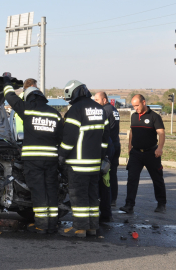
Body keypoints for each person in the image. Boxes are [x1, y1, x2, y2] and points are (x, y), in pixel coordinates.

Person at [3, 73, 64, 234]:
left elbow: (10, 97)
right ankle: (52, 224)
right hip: (51, 160)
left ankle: (41, 225)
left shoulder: (27, 109)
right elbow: (61, 137)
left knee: (38, 192)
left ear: (28, 97)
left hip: (33, 160)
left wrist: (7, 81)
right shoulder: (54, 113)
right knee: (51, 190)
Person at [58, 80, 109, 238]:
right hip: (95, 164)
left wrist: (61, 155)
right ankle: (92, 227)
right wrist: (101, 157)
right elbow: (106, 138)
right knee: (92, 196)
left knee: (78, 196)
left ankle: (79, 228)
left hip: (78, 164)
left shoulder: (76, 110)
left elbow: (69, 138)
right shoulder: (100, 110)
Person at [119, 94, 166, 214]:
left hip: (151, 153)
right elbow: (131, 132)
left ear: (143, 102)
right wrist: (129, 147)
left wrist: (159, 148)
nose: (135, 108)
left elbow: (161, 133)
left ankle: (161, 204)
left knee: (157, 179)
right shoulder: (134, 116)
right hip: (136, 154)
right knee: (132, 179)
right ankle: (129, 205)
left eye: (137, 105)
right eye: (133, 106)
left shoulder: (154, 116)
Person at [94, 92, 121, 222]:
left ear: (104, 99)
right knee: (111, 174)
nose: (95, 102)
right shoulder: (114, 109)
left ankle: (106, 202)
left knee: (104, 177)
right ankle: (112, 200)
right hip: (116, 143)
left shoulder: (104, 110)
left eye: (97, 99)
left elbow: (104, 130)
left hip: (108, 145)